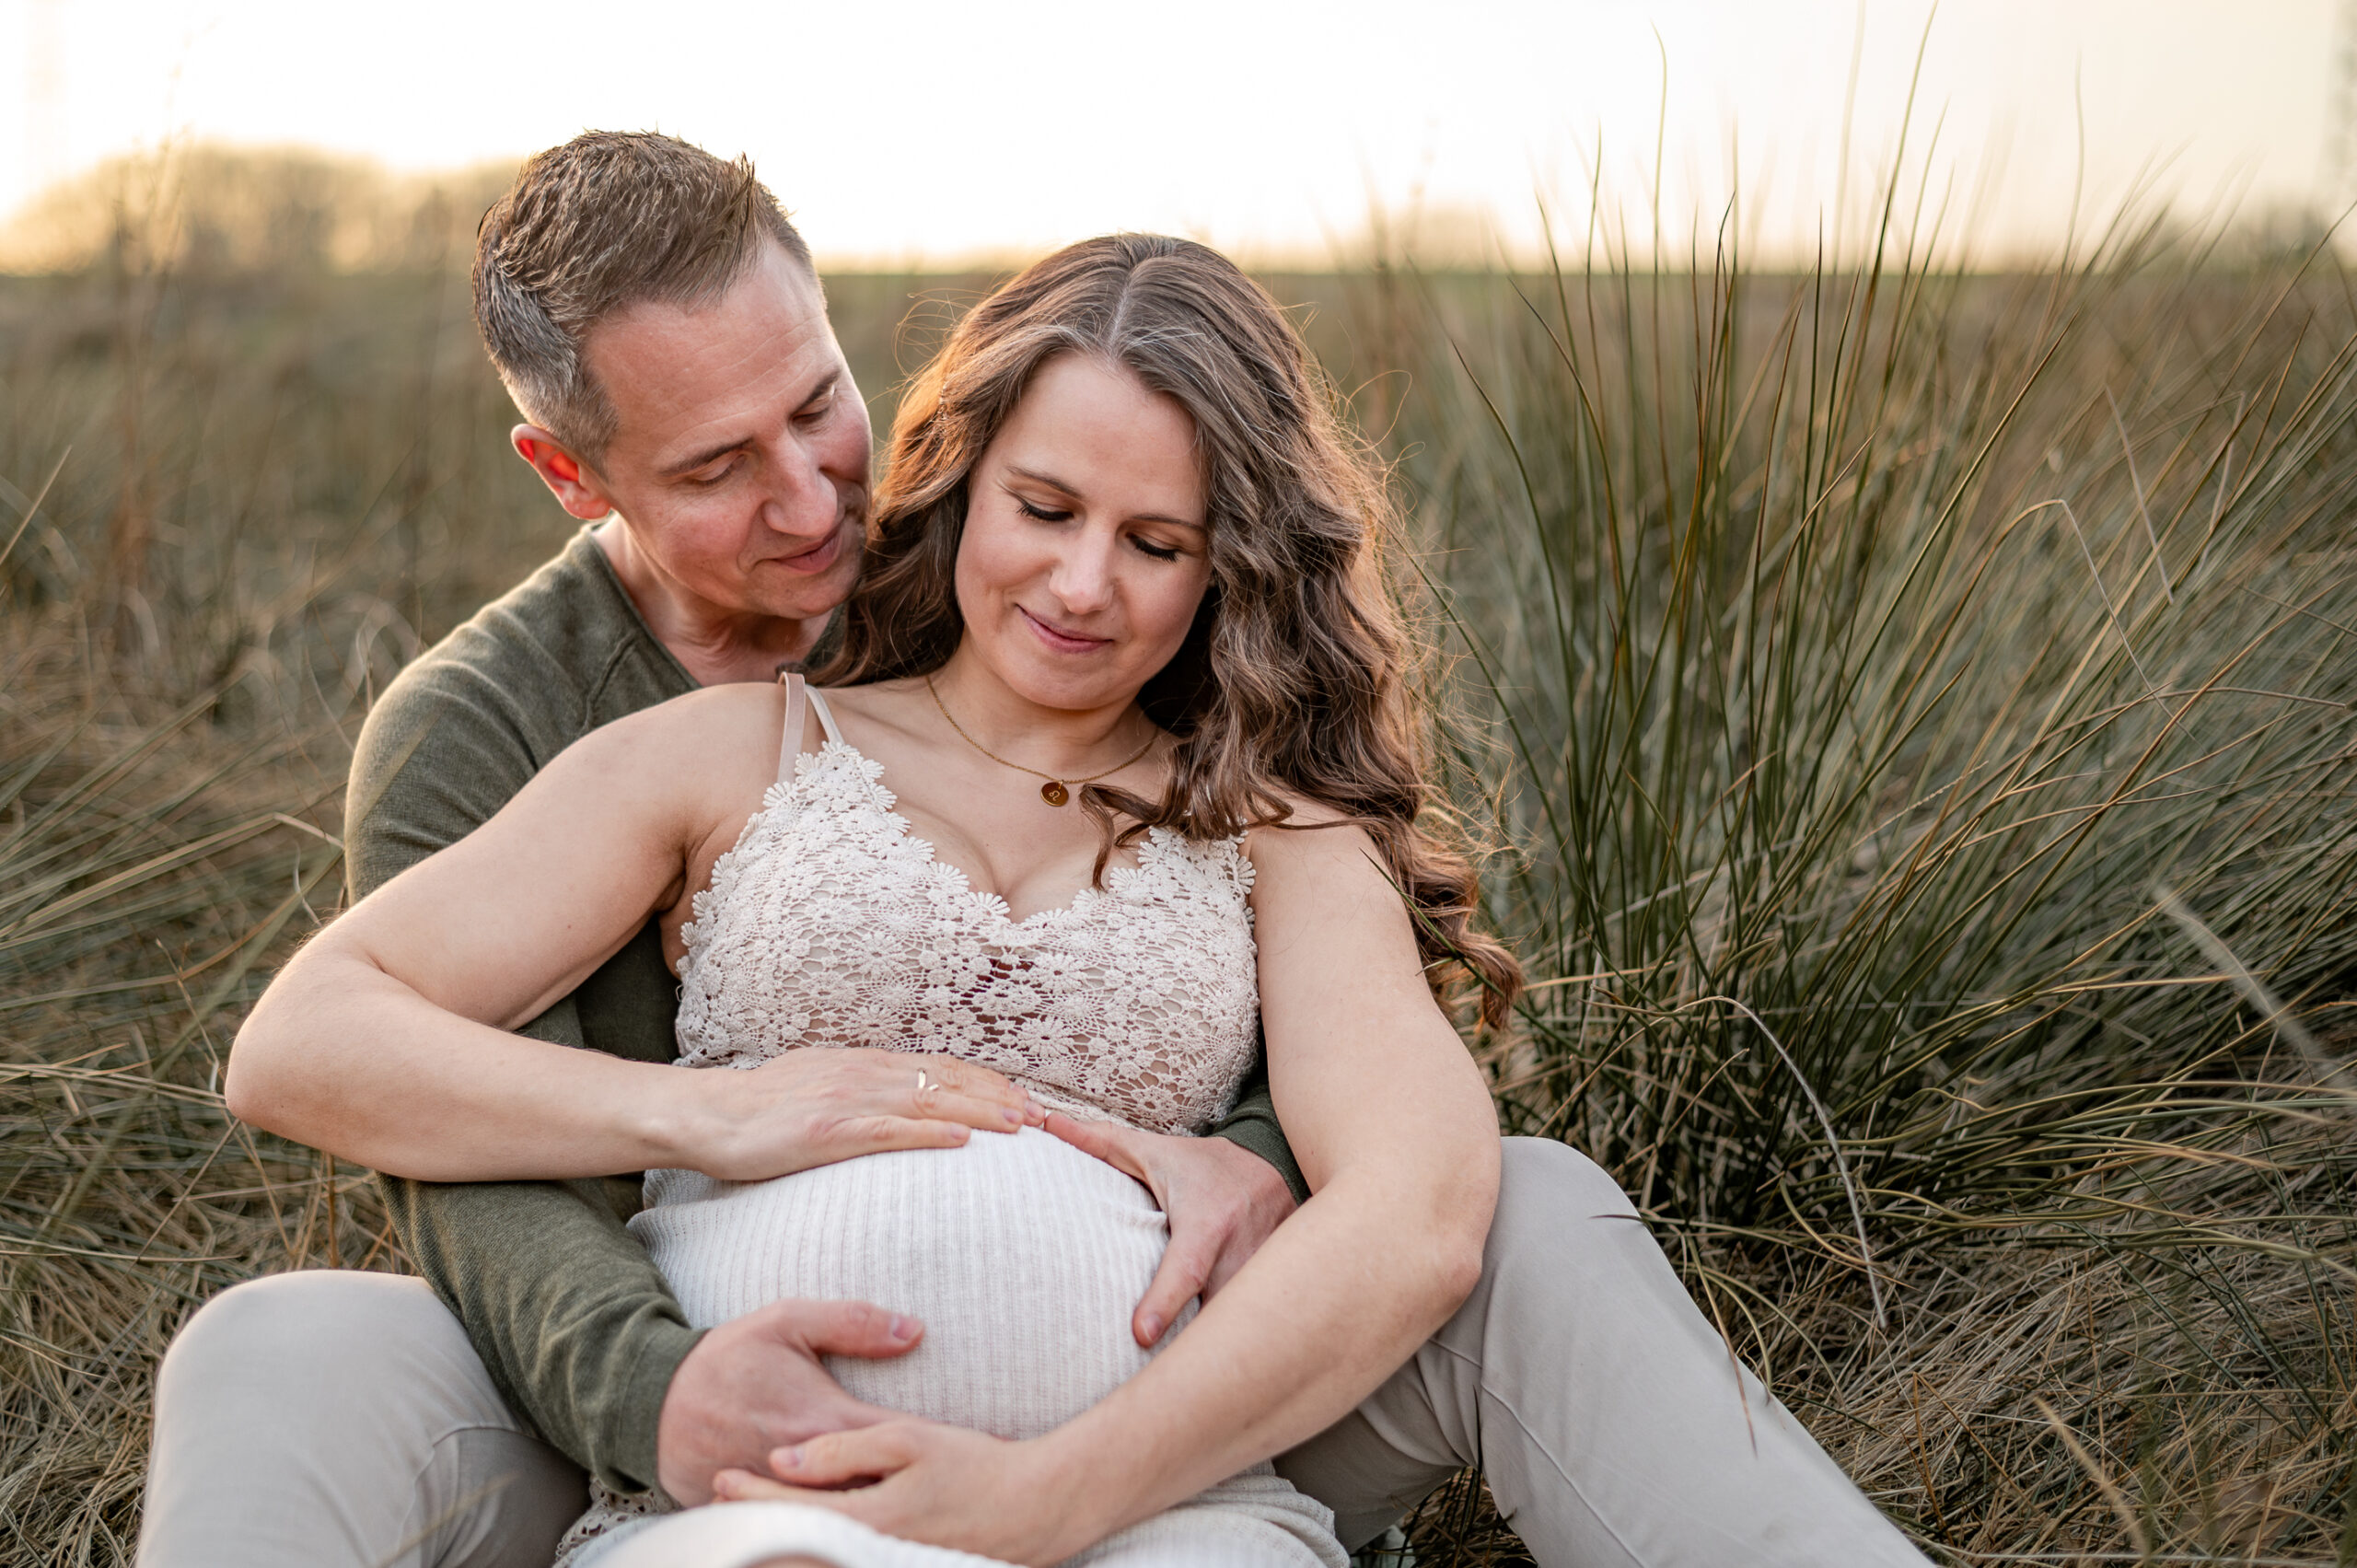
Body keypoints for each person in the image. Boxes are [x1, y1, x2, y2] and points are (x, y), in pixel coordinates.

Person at [139, 134, 1933, 1568]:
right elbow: (402, 1098)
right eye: (715, 468)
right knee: (273, 1345)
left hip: (1170, 1441)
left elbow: (1398, 1171)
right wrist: (678, 1321)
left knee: (1527, 1207)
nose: (811, 501)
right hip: (665, 1397)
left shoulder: (1212, 755)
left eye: (819, 409)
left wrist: (1251, 1164)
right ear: (572, 474)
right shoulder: (559, 736)